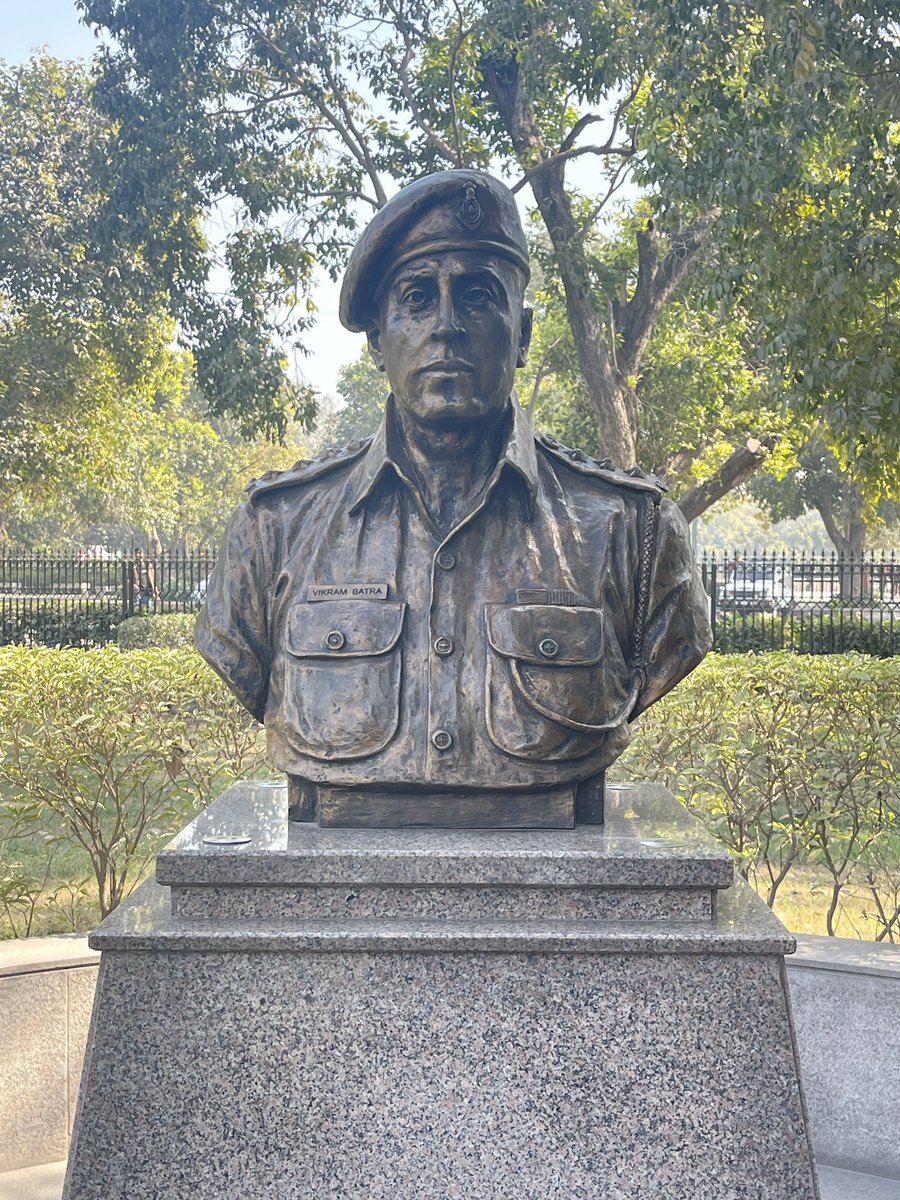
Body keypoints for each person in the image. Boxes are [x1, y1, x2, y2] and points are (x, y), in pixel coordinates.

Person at [196, 170, 711, 827]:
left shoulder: (631, 529)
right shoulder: (277, 527)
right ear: (378, 341)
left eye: (476, 296)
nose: (447, 327)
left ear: (521, 334)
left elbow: (670, 650)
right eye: (416, 298)